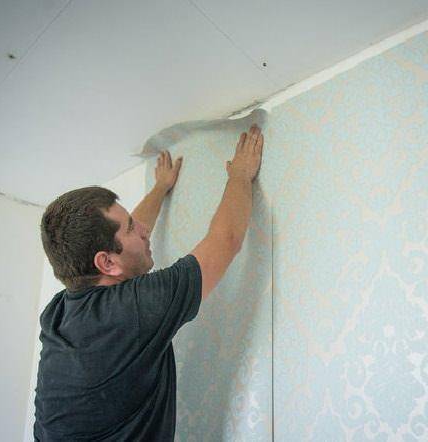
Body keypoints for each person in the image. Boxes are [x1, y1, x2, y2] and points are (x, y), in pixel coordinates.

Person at [32, 126, 264, 440]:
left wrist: (161, 187)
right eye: (131, 228)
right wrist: (240, 175)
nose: (142, 229)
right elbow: (226, 241)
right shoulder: (133, 310)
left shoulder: (60, 310)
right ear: (106, 263)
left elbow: (122, 246)